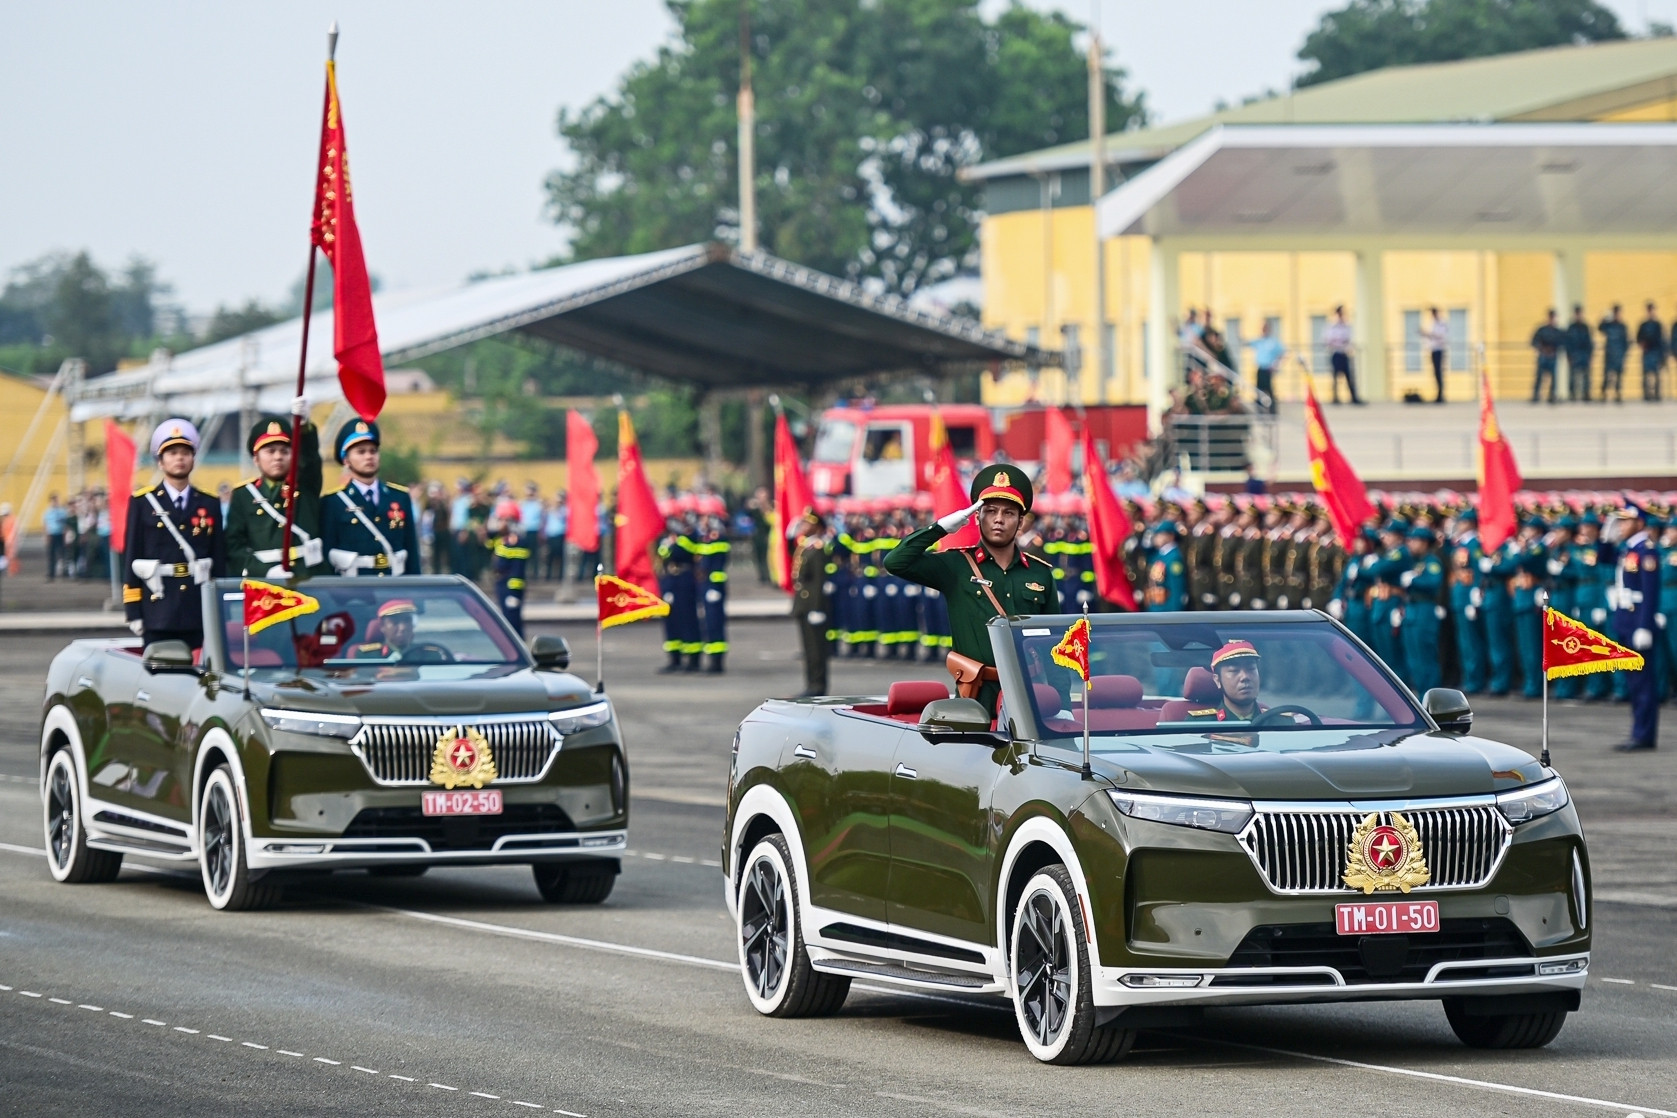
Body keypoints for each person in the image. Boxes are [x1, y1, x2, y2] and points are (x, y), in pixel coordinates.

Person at [884, 463, 1054, 714]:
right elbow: (895, 562)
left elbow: (1055, 645)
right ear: (976, 517)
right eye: (990, 511)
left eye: (1009, 513)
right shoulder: (957, 566)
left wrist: (1061, 704)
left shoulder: (1039, 573)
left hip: (1030, 695)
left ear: (1020, 521)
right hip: (975, 697)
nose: (998, 519)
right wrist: (941, 528)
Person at [123, 419, 226, 650]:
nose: (179, 458)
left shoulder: (209, 503)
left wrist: (220, 607)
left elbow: (218, 559)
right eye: (171, 453)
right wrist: (133, 611)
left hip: (198, 607)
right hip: (157, 608)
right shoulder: (142, 503)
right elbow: (131, 556)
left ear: (193, 459)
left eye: (185, 453)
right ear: (160, 462)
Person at [225, 403, 323, 578]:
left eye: (284, 451)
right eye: (270, 451)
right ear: (256, 459)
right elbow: (234, 546)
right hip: (266, 583)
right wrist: (264, 571)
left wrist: (304, 427)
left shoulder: (305, 485)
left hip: (307, 577)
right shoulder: (243, 495)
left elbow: (310, 460)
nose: (278, 456)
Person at [321, 419, 420, 577]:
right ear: (346, 460)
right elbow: (327, 554)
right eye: (361, 452)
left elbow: (412, 551)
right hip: (352, 592)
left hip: (394, 586)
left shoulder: (399, 497)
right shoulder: (333, 501)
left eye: (373, 451)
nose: (369, 456)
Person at [1610, 502, 1660, 750]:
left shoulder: (1646, 550)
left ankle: (1644, 734)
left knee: (1642, 682)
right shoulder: (1628, 548)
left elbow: (1650, 593)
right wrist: (1604, 540)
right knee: (1633, 681)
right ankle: (1638, 731)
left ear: (1639, 523)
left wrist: (1645, 625)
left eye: (1625, 521)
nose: (1621, 526)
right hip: (1626, 621)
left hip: (1637, 621)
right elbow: (1603, 559)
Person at [1399, 524, 1445, 695]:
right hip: (1412, 610)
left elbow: (1434, 583)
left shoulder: (1432, 562)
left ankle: (1431, 695)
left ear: (1424, 542)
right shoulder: (1417, 562)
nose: (1410, 544)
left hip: (1424, 610)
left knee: (1426, 656)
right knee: (1414, 658)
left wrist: (1414, 581)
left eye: (1414, 540)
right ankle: (1421, 694)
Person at [789, 509, 831, 697]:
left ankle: (817, 685)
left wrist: (817, 607)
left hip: (813, 605)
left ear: (816, 526)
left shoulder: (819, 549)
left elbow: (819, 581)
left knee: (816, 650)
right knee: (808, 649)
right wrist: (790, 533)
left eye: (807, 523)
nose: (803, 527)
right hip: (804, 604)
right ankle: (811, 683)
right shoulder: (806, 546)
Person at [656, 516, 702, 672]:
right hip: (670, 579)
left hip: (684, 579)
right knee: (671, 620)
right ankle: (674, 658)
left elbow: (682, 552)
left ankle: (693, 659)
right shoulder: (667, 538)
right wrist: (669, 542)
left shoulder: (689, 535)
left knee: (687, 619)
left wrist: (677, 539)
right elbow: (663, 553)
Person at [1448, 511, 1487, 694]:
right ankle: (1468, 677)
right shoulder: (1460, 543)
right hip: (1459, 597)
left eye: (1462, 522)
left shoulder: (1474, 544)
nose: (1459, 524)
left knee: (1472, 642)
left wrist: (1476, 593)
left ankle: (1475, 680)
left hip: (1468, 596)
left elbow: (1478, 570)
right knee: (1464, 642)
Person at [1185, 641, 1269, 721]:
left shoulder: (1276, 721)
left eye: (1251, 669)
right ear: (1217, 680)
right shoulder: (1200, 724)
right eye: (1234, 670)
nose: (1245, 677)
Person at [696, 515, 730, 673]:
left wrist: (714, 587)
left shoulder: (718, 539)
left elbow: (717, 564)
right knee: (709, 624)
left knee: (715, 624)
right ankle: (712, 659)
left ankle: (717, 661)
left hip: (714, 586)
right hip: (707, 585)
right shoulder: (706, 538)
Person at [490, 520, 531, 636]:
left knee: (512, 620)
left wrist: (514, 593)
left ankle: (518, 647)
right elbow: (488, 546)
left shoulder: (518, 544)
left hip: (510, 587)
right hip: (502, 584)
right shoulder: (502, 540)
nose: (499, 523)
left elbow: (518, 570)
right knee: (506, 618)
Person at [349, 599, 420, 659]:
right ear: (382, 626)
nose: (402, 628)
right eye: (395, 622)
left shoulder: (425, 653)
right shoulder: (368, 655)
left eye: (407, 621)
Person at [1323, 306, 1364, 405]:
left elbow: (1349, 340)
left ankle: (1353, 397)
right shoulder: (1331, 327)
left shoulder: (1347, 326)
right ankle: (1335, 398)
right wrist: (1339, 342)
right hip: (1336, 353)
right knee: (1335, 377)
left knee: (1349, 377)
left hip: (1344, 353)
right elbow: (1328, 340)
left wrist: (1341, 343)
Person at [1144, 521, 1189, 611]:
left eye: (1160, 534)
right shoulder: (1159, 555)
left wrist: (1175, 610)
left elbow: (1176, 585)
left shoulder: (1174, 557)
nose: (1156, 537)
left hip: (1167, 607)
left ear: (1171, 536)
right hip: (1156, 605)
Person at [1249, 321, 1285, 414]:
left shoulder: (1273, 341)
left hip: (1268, 369)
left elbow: (1282, 352)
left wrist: (1276, 364)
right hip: (1260, 368)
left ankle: (1273, 411)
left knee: (1270, 391)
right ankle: (1259, 411)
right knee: (1258, 390)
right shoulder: (1259, 341)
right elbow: (1246, 342)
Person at [1530, 310, 1563, 404]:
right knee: (1539, 376)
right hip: (1543, 355)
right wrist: (1542, 349)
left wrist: (1553, 350)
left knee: (1554, 378)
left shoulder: (1557, 331)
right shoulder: (1542, 330)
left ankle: (1552, 395)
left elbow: (1562, 343)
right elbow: (1534, 341)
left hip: (1553, 356)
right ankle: (1536, 394)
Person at [1599, 304, 1629, 403]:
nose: (1616, 315)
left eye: (1617, 312)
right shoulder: (1609, 325)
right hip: (1609, 354)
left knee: (1619, 376)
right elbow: (1600, 328)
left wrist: (1624, 354)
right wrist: (1605, 318)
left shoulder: (1622, 326)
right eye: (1615, 313)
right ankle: (1604, 393)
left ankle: (1618, 393)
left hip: (1619, 355)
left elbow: (1626, 342)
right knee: (1607, 375)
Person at [1564, 305, 1594, 403]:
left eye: (1579, 313)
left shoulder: (1585, 327)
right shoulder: (1571, 328)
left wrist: (1590, 356)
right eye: (1577, 313)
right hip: (1574, 355)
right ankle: (1572, 394)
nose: (1578, 315)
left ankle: (1586, 393)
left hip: (1584, 355)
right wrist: (1568, 355)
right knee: (1573, 376)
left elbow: (1589, 343)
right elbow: (1567, 343)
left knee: (1586, 376)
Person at [1637, 302, 1666, 403]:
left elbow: (1662, 340)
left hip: (1656, 352)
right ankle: (1647, 394)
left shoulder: (1658, 325)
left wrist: (1663, 356)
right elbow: (1639, 338)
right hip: (1647, 352)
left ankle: (1657, 394)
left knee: (1657, 375)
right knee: (1646, 374)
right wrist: (1642, 344)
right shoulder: (1643, 325)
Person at [1424, 307, 1450, 403]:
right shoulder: (1433, 323)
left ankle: (1441, 395)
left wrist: (1428, 334)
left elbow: (1440, 336)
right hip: (1433, 349)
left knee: (1439, 372)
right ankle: (1438, 394)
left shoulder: (1441, 323)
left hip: (1439, 349)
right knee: (1436, 373)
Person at [43, 494, 67, 580]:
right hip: (51, 534)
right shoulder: (47, 512)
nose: (55, 502)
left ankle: (64, 572)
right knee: (51, 555)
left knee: (62, 554)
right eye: (54, 501)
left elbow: (65, 525)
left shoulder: (62, 512)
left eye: (56, 501)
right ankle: (51, 573)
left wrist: (65, 536)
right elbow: (45, 525)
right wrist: (46, 536)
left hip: (60, 534)